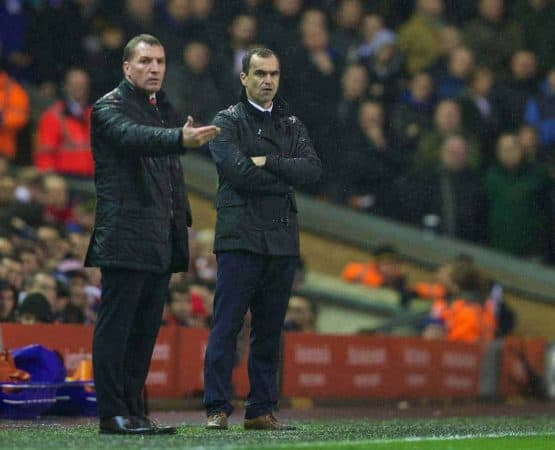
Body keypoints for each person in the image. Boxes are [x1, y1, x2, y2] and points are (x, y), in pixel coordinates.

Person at [83, 34, 220, 435]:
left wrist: (183, 228)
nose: (154, 68)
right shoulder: (108, 108)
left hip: (159, 237)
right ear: (127, 67)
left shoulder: (160, 109)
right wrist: (180, 138)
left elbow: (170, 177)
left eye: (159, 61)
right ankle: (113, 414)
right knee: (117, 328)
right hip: (124, 235)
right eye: (145, 62)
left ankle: (134, 411)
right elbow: (135, 139)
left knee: (143, 333)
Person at [204, 47, 321, 431]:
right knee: (227, 325)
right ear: (244, 78)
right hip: (240, 237)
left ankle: (260, 409)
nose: (268, 80)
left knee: (269, 331)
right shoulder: (226, 120)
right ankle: (217, 407)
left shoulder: (291, 123)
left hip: (281, 240)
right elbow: (238, 174)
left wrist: (267, 162)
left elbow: (312, 170)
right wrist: (284, 174)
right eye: (259, 74)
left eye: (273, 74)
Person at [34, 68, 94, 178]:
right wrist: (49, 178)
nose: (79, 88)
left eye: (82, 85)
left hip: (90, 179)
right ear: (66, 86)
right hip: (63, 180)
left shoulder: (94, 115)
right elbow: (45, 153)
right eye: (74, 84)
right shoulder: (53, 116)